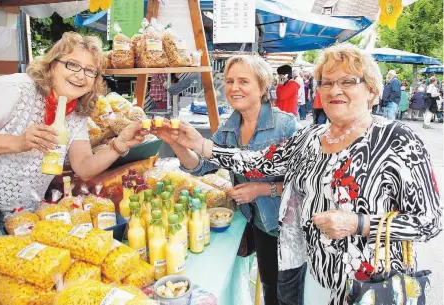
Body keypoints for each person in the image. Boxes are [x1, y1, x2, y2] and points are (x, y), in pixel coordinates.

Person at [156, 44, 442, 305]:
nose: (334, 90)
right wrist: (199, 144)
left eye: (347, 81)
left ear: (371, 90)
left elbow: (430, 221)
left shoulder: (396, 139)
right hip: (317, 278)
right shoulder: (312, 137)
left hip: (371, 285)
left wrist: (358, 222)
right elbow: (258, 161)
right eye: (326, 83)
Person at [153, 55, 306, 305]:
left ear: (262, 86)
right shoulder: (229, 128)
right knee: (269, 286)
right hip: (259, 223)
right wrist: (176, 143)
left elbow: (304, 184)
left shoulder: (285, 125)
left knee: (287, 295)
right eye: (230, 80)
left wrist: (260, 189)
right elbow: (202, 166)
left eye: (244, 81)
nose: (234, 88)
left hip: (286, 226)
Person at [0, 32, 147, 227]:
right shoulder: (15, 89)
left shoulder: (75, 113)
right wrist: (17, 142)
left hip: (23, 219)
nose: (80, 75)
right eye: (72, 64)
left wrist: (120, 143)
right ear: (52, 65)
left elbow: (83, 168)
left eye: (90, 70)